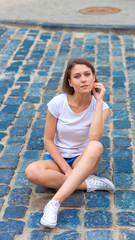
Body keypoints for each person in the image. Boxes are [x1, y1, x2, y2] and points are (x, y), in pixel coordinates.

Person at [25, 58, 115, 228]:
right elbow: (48, 140)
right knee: (32, 172)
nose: (83, 79)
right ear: (70, 82)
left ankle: (54, 203)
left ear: (94, 77)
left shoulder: (102, 107)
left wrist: (99, 101)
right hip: (58, 160)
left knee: (96, 145)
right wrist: (67, 169)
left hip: (84, 160)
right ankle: (86, 183)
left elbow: (94, 136)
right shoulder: (58, 103)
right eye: (77, 76)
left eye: (87, 74)